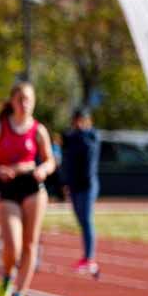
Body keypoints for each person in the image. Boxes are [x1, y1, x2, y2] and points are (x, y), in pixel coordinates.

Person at [0, 81, 56, 296]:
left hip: (33, 186)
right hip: (8, 187)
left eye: (28, 100)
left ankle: (20, 294)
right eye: (20, 99)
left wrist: (44, 169)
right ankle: (6, 274)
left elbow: (50, 160)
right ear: (12, 101)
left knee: (30, 244)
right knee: (13, 245)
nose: (24, 104)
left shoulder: (39, 130)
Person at [61, 106, 101, 277]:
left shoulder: (91, 137)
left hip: (88, 185)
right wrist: (65, 183)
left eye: (82, 120)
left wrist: (80, 133)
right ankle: (87, 257)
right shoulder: (71, 138)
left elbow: (88, 154)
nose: (78, 123)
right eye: (76, 120)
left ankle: (89, 258)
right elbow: (67, 161)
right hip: (74, 185)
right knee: (81, 220)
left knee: (86, 220)